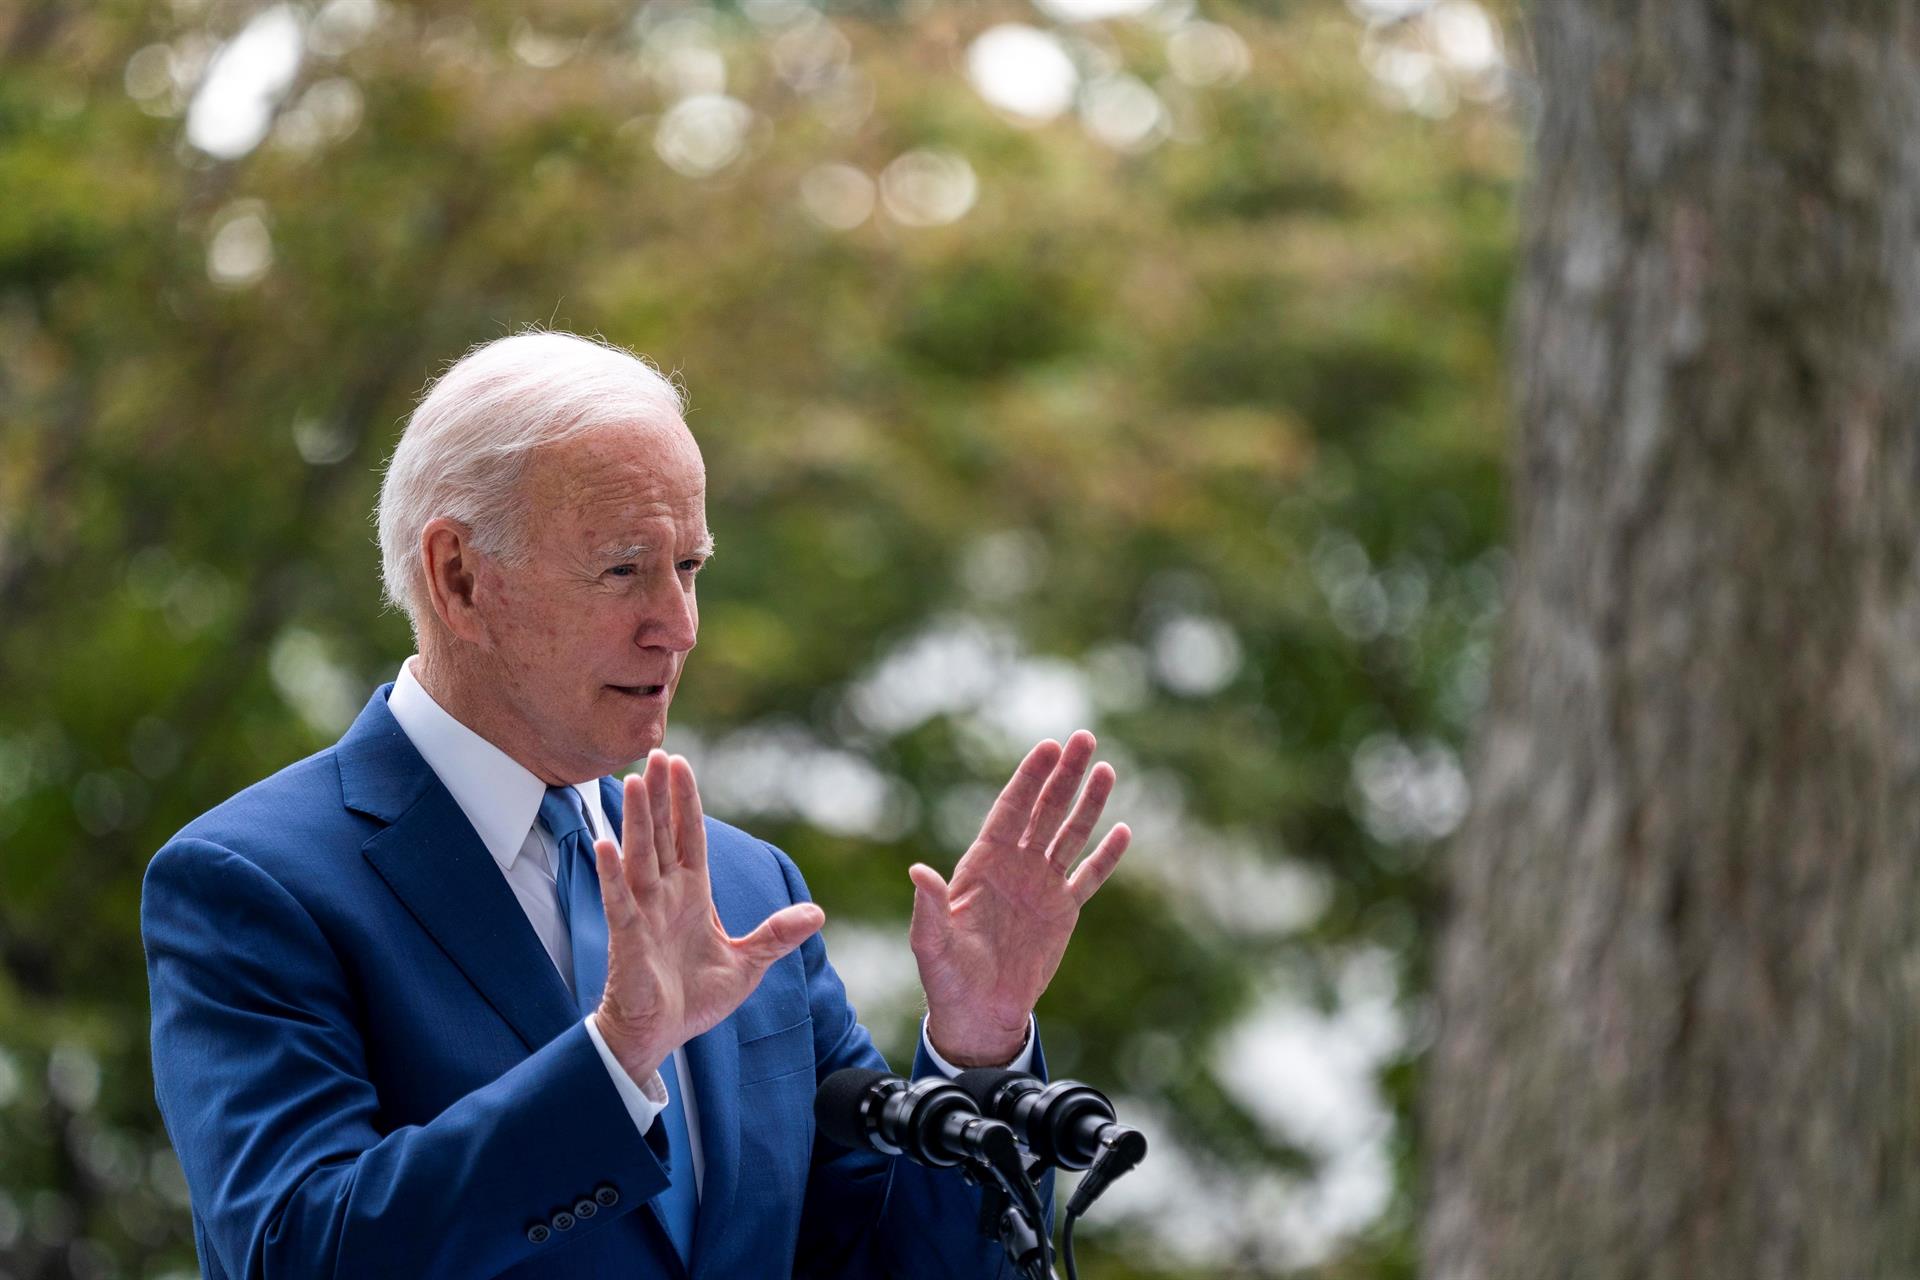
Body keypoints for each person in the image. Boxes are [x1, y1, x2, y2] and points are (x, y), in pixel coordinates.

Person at [142, 331, 1132, 1279]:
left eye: (690, 566)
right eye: (624, 568)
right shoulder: (253, 881)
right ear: (459, 578)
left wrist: (976, 1044)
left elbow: (890, 1264)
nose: (679, 625)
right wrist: (615, 1055)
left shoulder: (747, 886)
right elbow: (293, 1252)